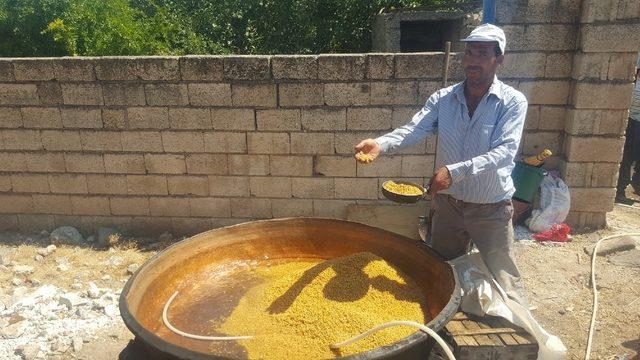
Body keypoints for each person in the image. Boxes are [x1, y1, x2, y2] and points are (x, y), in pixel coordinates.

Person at [354, 24, 529, 307]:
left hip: (491, 207)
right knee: (443, 271)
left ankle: (522, 335)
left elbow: (505, 152)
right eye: (469, 53)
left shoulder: (511, 102)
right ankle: (443, 332)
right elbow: (413, 129)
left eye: (482, 54)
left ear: (499, 59)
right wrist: (381, 143)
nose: (472, 60)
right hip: (448, 205)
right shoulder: (444, 99)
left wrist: (455, 171)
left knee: (504, 276)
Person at [615, 56, 640, 205]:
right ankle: (619, 190)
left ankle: (637, 184)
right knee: (627, 156)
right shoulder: (632, 81)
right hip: (630, 120)